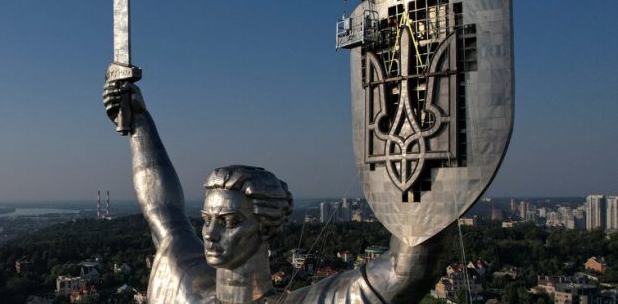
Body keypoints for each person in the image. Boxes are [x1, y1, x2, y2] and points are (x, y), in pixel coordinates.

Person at [103, 80, 450, 304]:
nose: (208, 235)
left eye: (228, 221)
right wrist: (138, 122)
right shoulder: (187, 288)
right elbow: (161, 208)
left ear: (264, 227)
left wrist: (422, 152)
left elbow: (405, 273)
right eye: (207, 220)